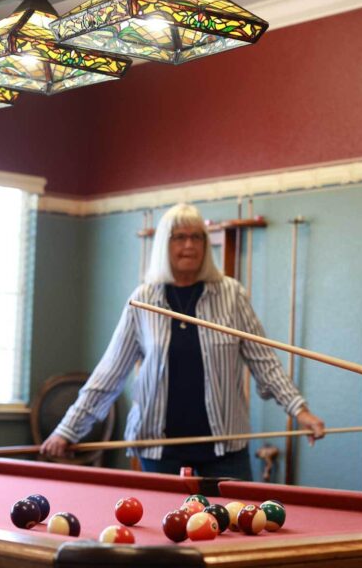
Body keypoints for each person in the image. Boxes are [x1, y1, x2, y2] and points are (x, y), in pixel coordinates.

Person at [41, 203, 325, 480]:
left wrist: (300, 410)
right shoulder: (143, 300)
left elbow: (265, 363)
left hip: (226, 448)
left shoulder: (231, 295)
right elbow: (109, 374)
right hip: (159, 451)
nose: (189, 245)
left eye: (196, 237)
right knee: (168, 527)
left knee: (236, 525)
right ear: (164, 244)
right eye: (179, 237)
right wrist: (68, 429)